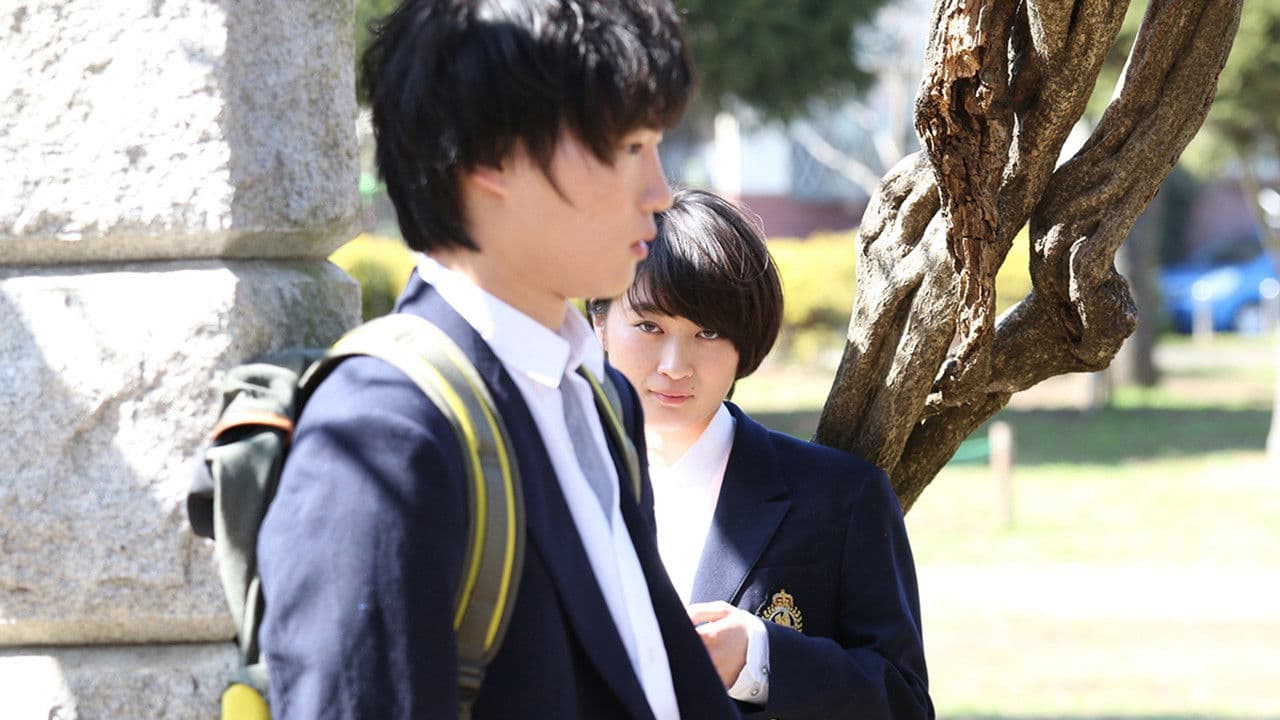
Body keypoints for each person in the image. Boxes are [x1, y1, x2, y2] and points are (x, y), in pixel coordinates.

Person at [255, 3, 739, 718]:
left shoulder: (602, 397)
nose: (660, 192)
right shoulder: (384, 431)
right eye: (630, 147)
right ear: (490, 155)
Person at [589, 189, 934, 719]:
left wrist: (759, 658)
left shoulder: (841, 496)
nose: (675, 365)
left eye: (708, 332)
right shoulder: (551, 480)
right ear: (600, 323)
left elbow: (904, 704)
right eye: (649, 326)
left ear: (745, 343)